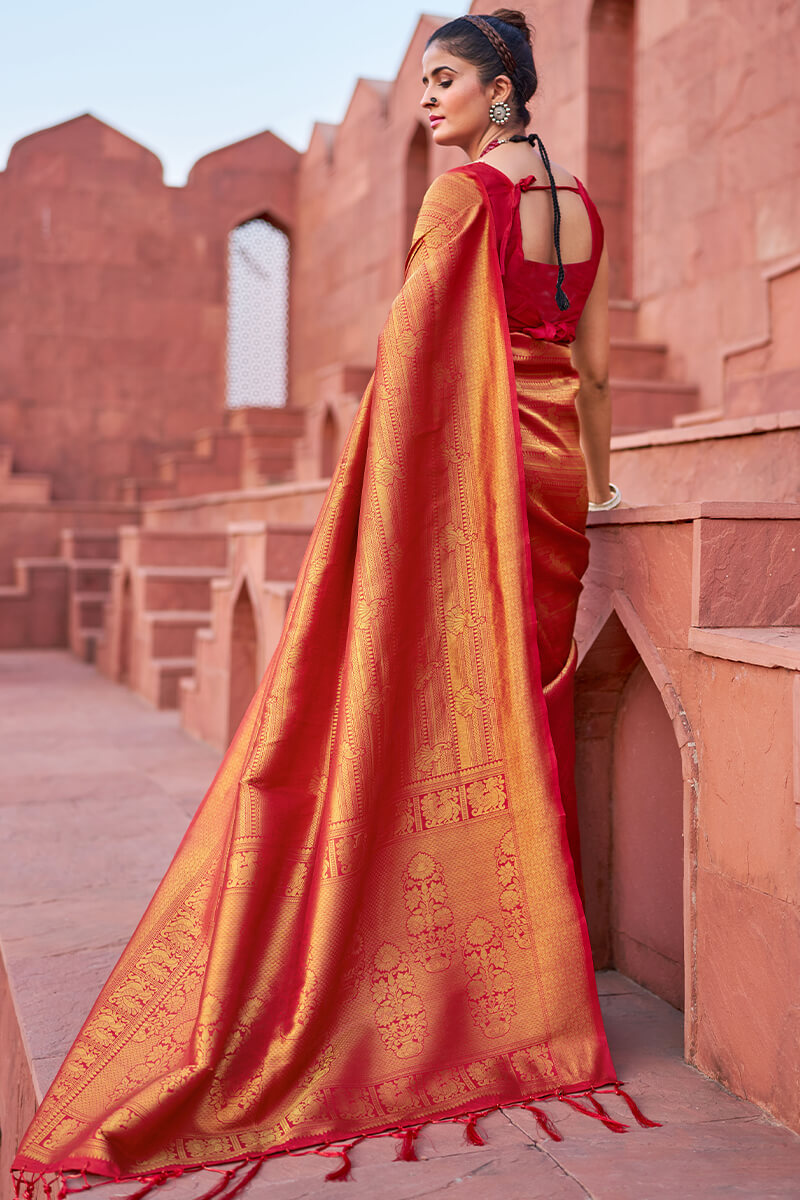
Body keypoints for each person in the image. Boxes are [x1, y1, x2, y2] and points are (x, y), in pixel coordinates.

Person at [12, 11, 655, 1199]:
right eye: (422, 81)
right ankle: (519, 979)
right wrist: (599, 487)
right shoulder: (580, 208)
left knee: (449, 716)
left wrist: (376, 519)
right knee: (519, 709)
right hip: (556, 477)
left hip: (485, 484)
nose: (428, 100)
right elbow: (596, 369)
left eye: (445, 79)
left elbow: (409, 369)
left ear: (499, 89)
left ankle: (459, 982)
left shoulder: (462, 197)